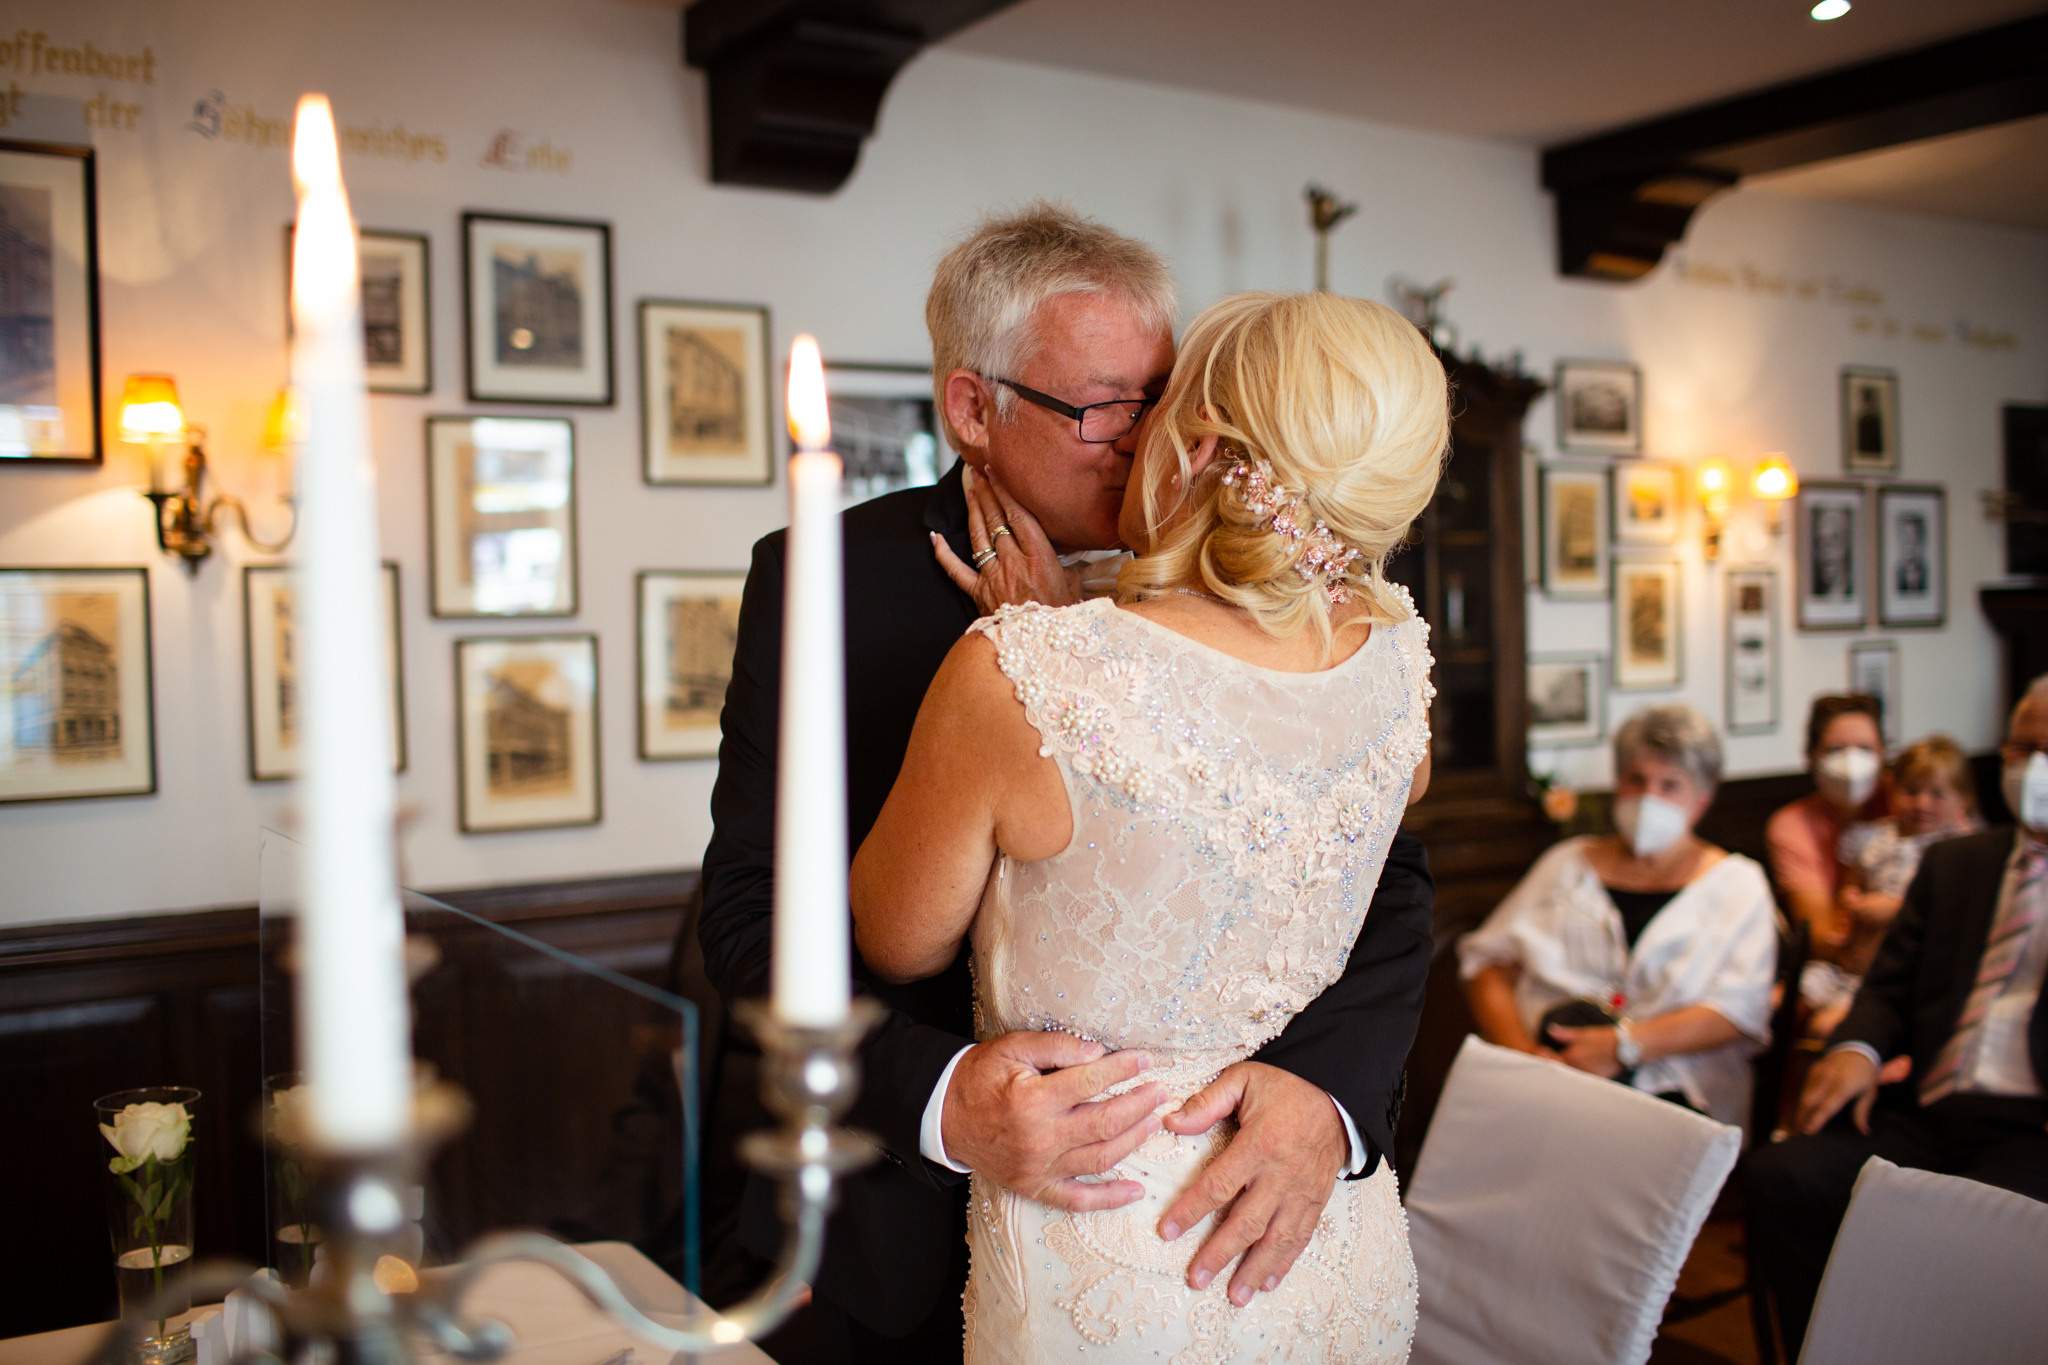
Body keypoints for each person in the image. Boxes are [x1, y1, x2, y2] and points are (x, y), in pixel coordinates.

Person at [696, 208, 1438, 1363]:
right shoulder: (825, 581)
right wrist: (941, 1100)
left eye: (1163, 395)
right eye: (1103, 407)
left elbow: (1384, 879)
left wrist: (1328, 1094)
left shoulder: (1316, 609)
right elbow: (750, 917)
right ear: (971, 409)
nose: (1151, 441)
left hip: (1229, 1225)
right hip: (901, 1215)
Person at [1744, 681, 2048, 1355]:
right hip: (1929, 1105)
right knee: (1784, 1174)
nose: (2036, 767)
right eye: (2026, 746)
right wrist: (1856, 1046)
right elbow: (1888, 985)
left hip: (2032, 1125)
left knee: (1974, 1229)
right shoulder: (1958, 861)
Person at [1459, 704, 1778, 1127]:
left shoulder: (1739, 883)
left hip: (1678, 1092)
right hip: (1549, 1080)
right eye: (1637, 780)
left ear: (1700, 801)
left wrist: (1622, 1047)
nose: (1650, 799)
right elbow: (1487, 967)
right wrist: (1526, 1062)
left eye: (1670, 786)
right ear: (1618, 782)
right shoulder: (1567, 864)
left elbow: (1740, 1010)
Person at [1806, 737, 1981, 1038]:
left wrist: (1894, 910)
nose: (1921, 803)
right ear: (1892, 788)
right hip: (1851, 967)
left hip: (1907, 980)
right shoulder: (1872, 838)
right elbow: (1851, 887)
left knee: (1824, 1028)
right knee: (1788, 998)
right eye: (1911, 791)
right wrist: (1850, 903)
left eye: (1937, 794)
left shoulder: (1961, 849)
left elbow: (1958, 914)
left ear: (1963, 799)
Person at [1767, 695, 1889, 975]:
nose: (1851, 762)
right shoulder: (1792, 824)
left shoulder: (1910, 804)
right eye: (1836, 749)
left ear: (1883, 753)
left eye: (1865, 749)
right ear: (1811, 755)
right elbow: (1822, 938)